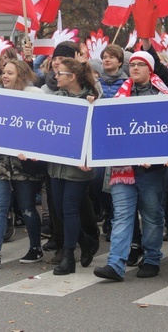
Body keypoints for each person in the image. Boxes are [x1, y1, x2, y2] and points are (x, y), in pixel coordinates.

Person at [94, 50, 168, 282]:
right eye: (133, 64)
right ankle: (115, 264)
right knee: (121, 215)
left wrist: (160, 155)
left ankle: (152, 258)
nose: (135, 68)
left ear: (150, 69)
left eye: (141, 64)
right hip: (123, 168)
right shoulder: (120, 96)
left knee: (151, 215)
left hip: (152, 169)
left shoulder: (163, 96)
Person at [0, 60, 47, 268]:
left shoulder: (34, 97)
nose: (5, 76)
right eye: (3, 72)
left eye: (10, 73)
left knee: (26, 207)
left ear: (21, 76)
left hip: (22, 163)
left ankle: (36, 247)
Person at [47, 57, 99, 275]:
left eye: (60, 73)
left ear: (73, 77)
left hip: (78, 166)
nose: (55, 76)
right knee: (59, 209)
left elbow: (96, 134)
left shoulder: (93, 100)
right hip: (57, 165)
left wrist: (88, 157)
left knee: (69, 208)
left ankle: (69, 257)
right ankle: (86, 241)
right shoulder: (56, 99)